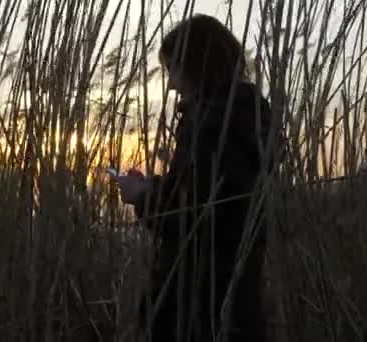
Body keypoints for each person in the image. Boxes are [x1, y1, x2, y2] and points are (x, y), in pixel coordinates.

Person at [116, 14, 281, 342]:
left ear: (194, 67)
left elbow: (196, 220)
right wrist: (157, 187)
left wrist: (142, 196)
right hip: (236, 296)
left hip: (197, 301)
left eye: (173, 71)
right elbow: (212, 198)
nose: (172, 84)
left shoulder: (212, 125)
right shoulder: (248, 119)